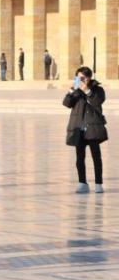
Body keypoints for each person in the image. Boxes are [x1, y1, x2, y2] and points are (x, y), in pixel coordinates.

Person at [63, 66, 107, 194]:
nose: (80, 80)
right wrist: (71, 90)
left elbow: (97, 101)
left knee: (96, 157)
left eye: (82, 77)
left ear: (88, 78)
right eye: (78, 77)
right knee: (79, 158)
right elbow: (66, 103)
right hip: (79, 128)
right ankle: (82, 183)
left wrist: (86, 90)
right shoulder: (76, 91)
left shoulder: (98, 90)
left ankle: (98, 183)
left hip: (92, 128)